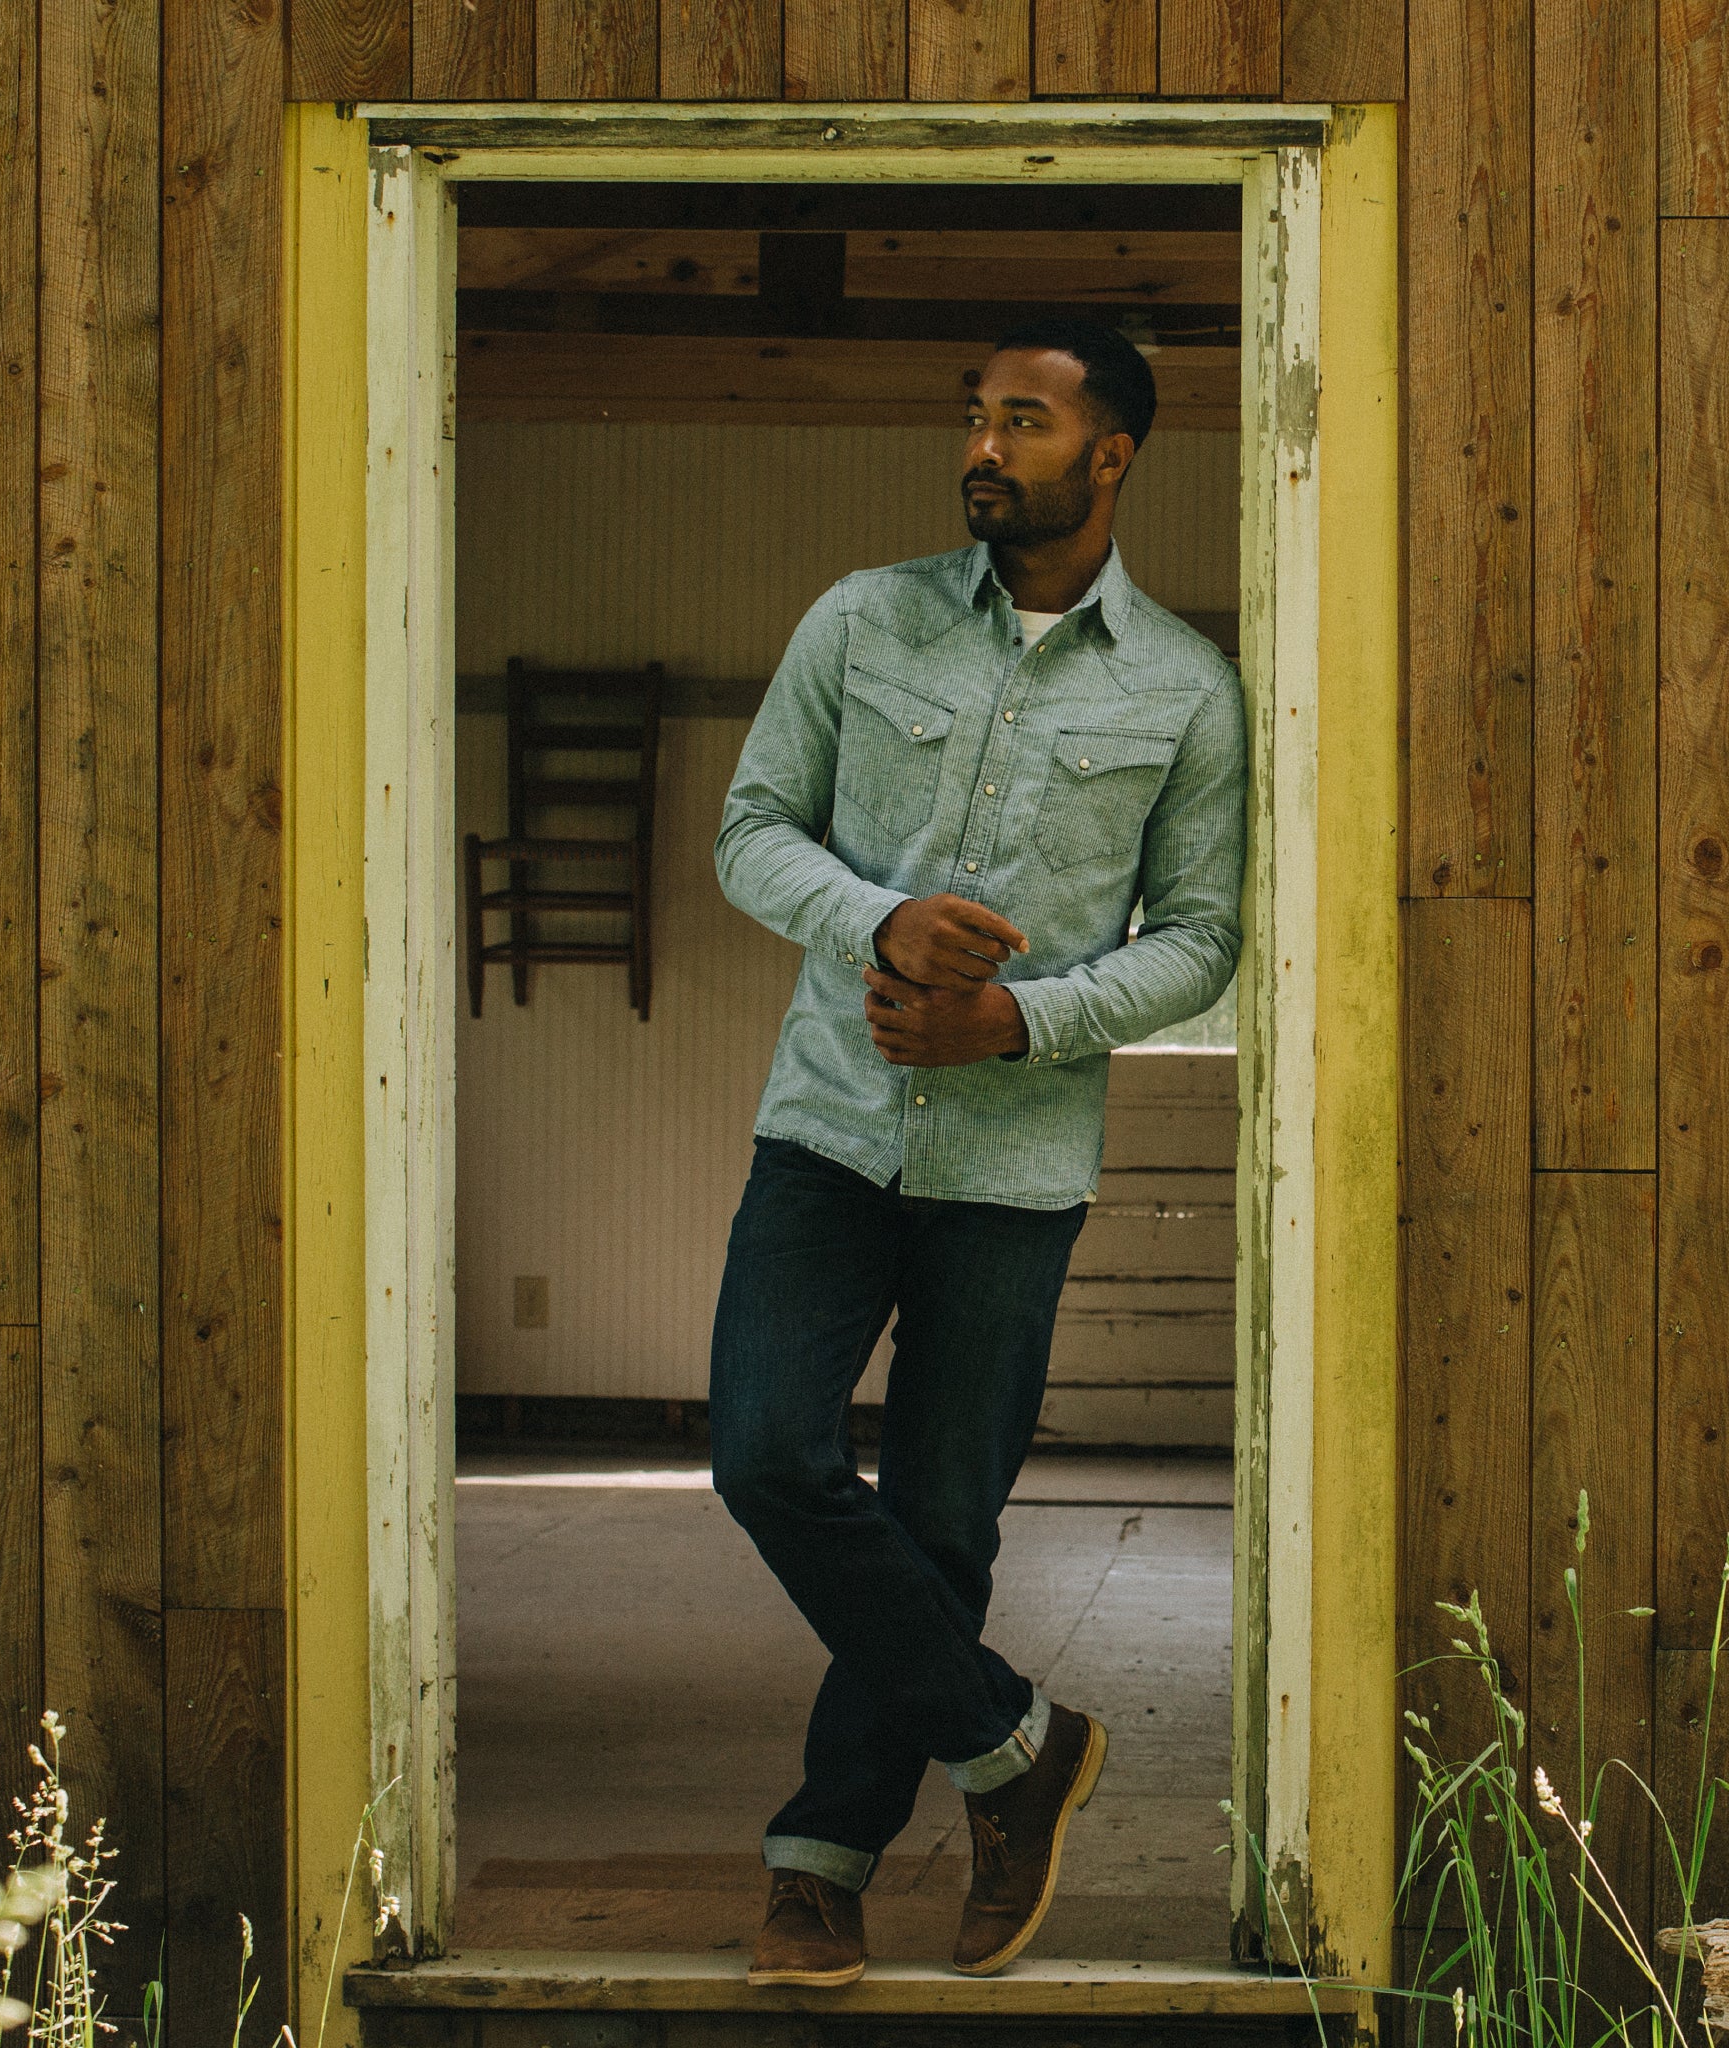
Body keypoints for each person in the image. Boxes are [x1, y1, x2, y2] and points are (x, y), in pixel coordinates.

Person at [710, 317, 1247, 1986]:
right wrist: (879, 920)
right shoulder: (859, 621)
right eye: (976, 416)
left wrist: (1023, 1022)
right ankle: (1019, 1750)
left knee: (944, 1525)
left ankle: (821, 1867)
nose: (985, 446)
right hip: (828, 1127)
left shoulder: (1186, 690)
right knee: (768, 1457)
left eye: (1025, 420)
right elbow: (750, 832)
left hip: (1015, 1174)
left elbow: (1205, 941)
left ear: (1113, 455)